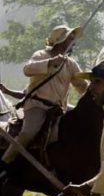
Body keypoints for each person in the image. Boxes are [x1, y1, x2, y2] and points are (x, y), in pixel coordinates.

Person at [0, 25, 88, 170]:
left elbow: (81, 85)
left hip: (58, 107)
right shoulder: (41, 55)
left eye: (73, 39)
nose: (73, 42)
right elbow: (27, 69)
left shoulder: (70, 63)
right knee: (29, 132)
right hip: (37, 106)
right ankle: (5, 162)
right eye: (70, 38)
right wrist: (50, 63)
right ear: (60, 40)